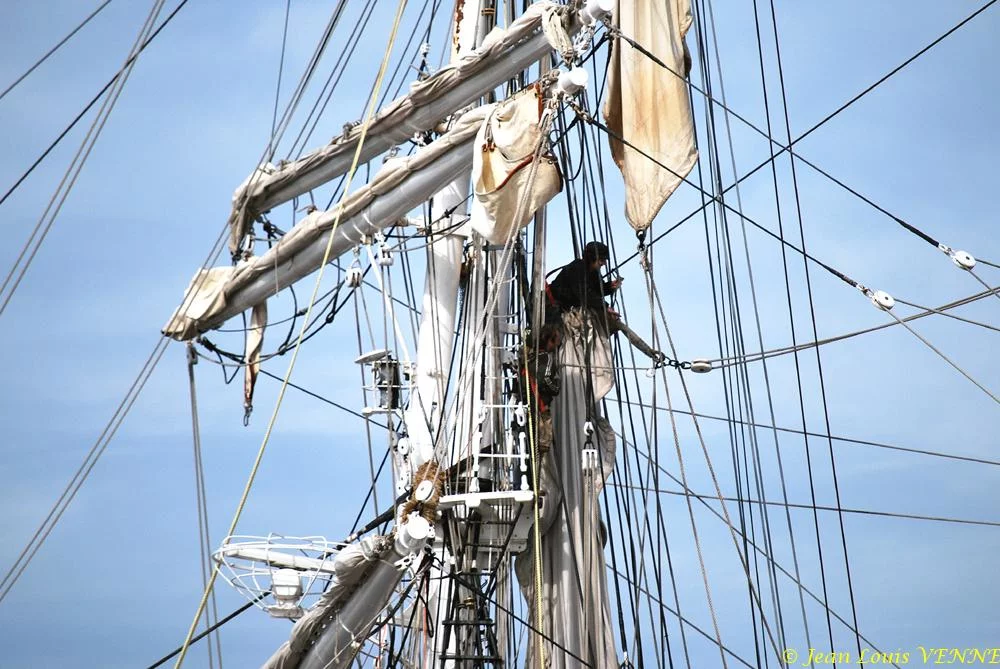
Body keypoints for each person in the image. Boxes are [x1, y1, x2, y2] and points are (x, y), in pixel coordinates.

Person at [547, 241, 621, 314]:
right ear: (592, 258)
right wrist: (604, 306)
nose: (604, 263)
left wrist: (610, 286)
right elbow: (584, 294)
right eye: (602, 260)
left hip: (565, 309)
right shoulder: (577, 268)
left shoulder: (594, 272)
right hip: (552, 308)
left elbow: (597, 290)